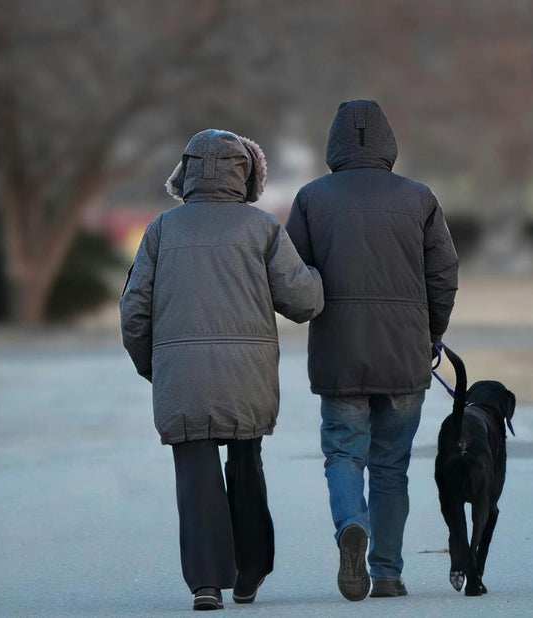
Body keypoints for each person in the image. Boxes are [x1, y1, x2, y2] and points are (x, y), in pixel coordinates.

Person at [120, 129, 323, 611]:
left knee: (195, 477)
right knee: (246, 465)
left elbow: (134, 311)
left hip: (182, 375)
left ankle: (207, 584)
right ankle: (250, 573)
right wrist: (317, 273)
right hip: (246, 375)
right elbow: (304, 301)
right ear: (246, 174)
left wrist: (156, 366)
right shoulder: (263, 228)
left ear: (185, 171)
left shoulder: (161, 229)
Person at [286, 100, 460, 601]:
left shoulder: (310, 199)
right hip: (404, 352)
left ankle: (349, 526)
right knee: (391, 466)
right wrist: (432, 331)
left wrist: (312, 313)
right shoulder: (419, 198)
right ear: (387, 143)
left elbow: (293, 276)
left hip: (339, 351)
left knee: (343, 450)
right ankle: (386, 572)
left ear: (333, 145)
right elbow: (444, 273)